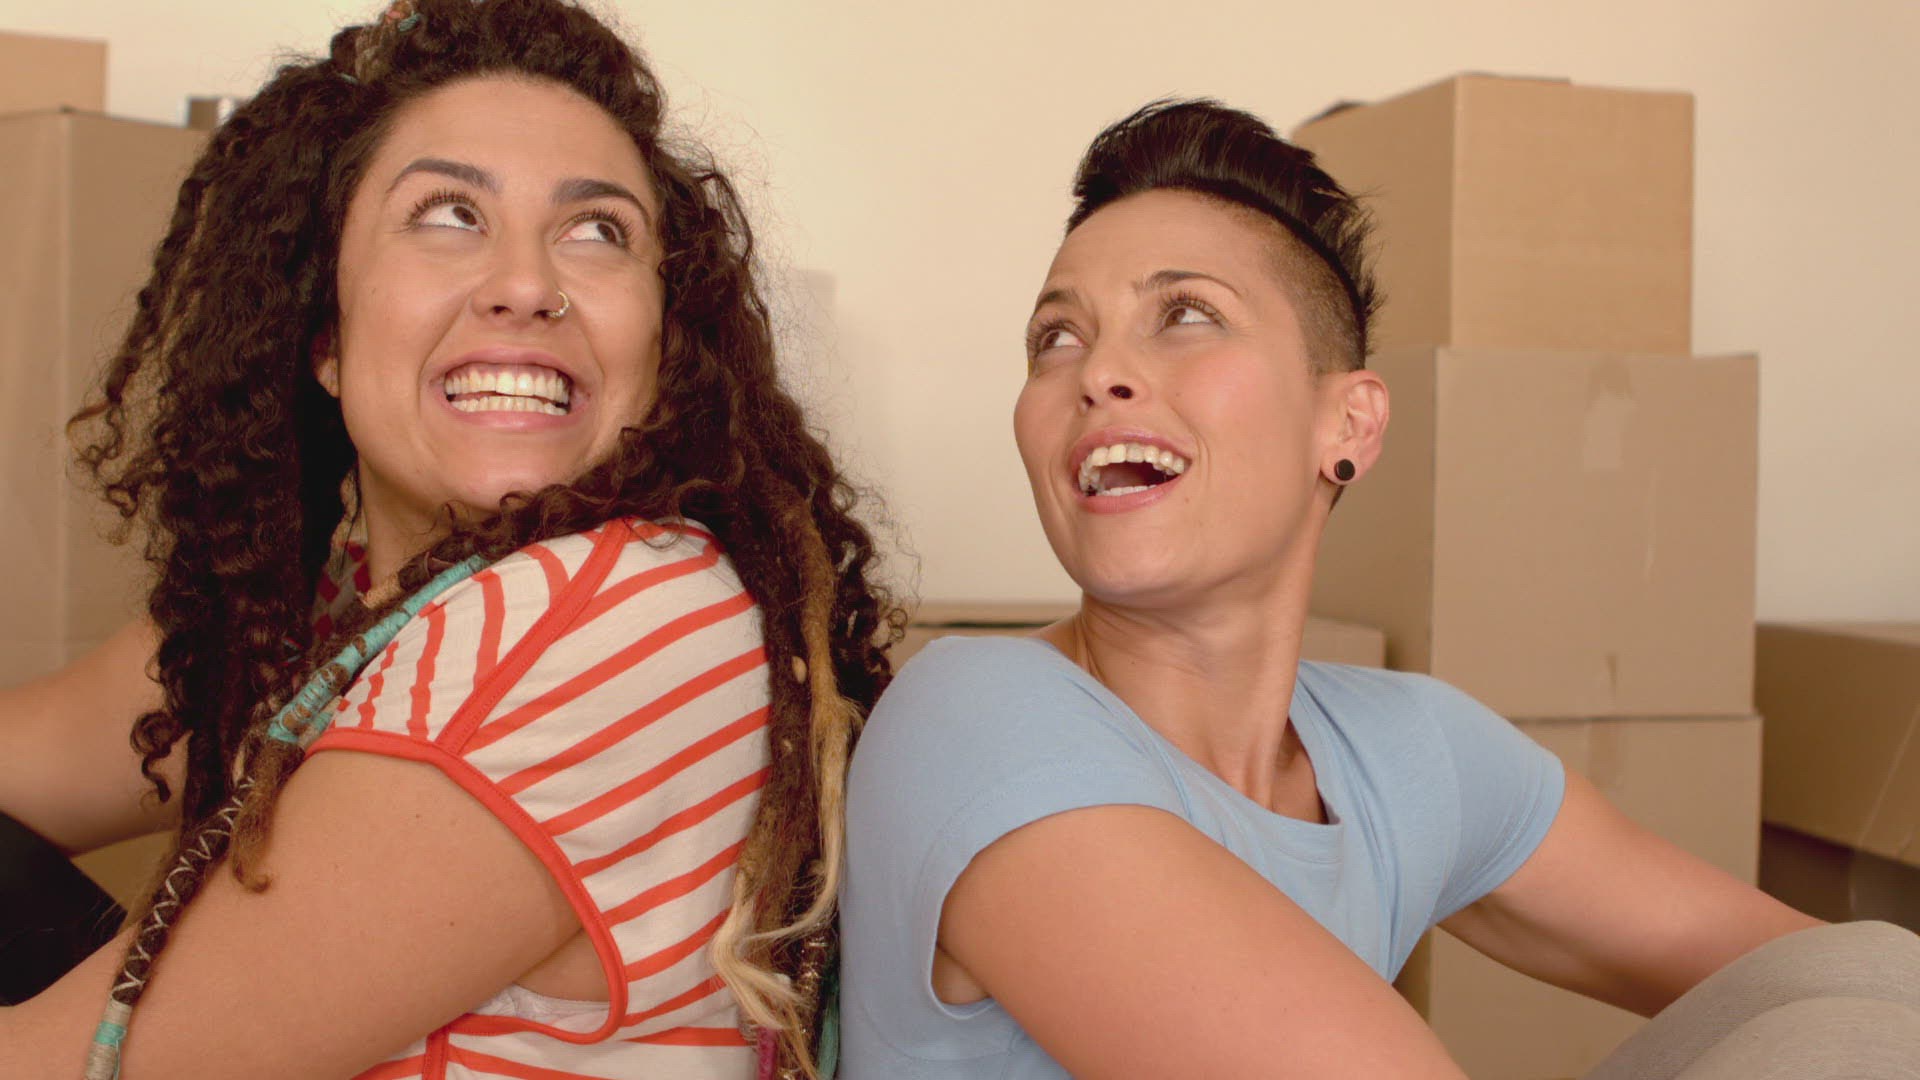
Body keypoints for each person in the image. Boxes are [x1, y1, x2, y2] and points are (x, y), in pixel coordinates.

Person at [839, 100, 1920, 1078]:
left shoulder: (1403, 751)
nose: (1096, 373)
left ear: (1347, 423)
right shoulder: (970, 719)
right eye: (1057, 337)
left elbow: (1831, 983)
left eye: (1186, 315)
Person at [0, 1, 901, 1076]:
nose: (526, 286)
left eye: (598, 231)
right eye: (448, 214)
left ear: (665, 347)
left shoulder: (608, 614)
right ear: (325, 334)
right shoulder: (331, 605)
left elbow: (77, 1063)